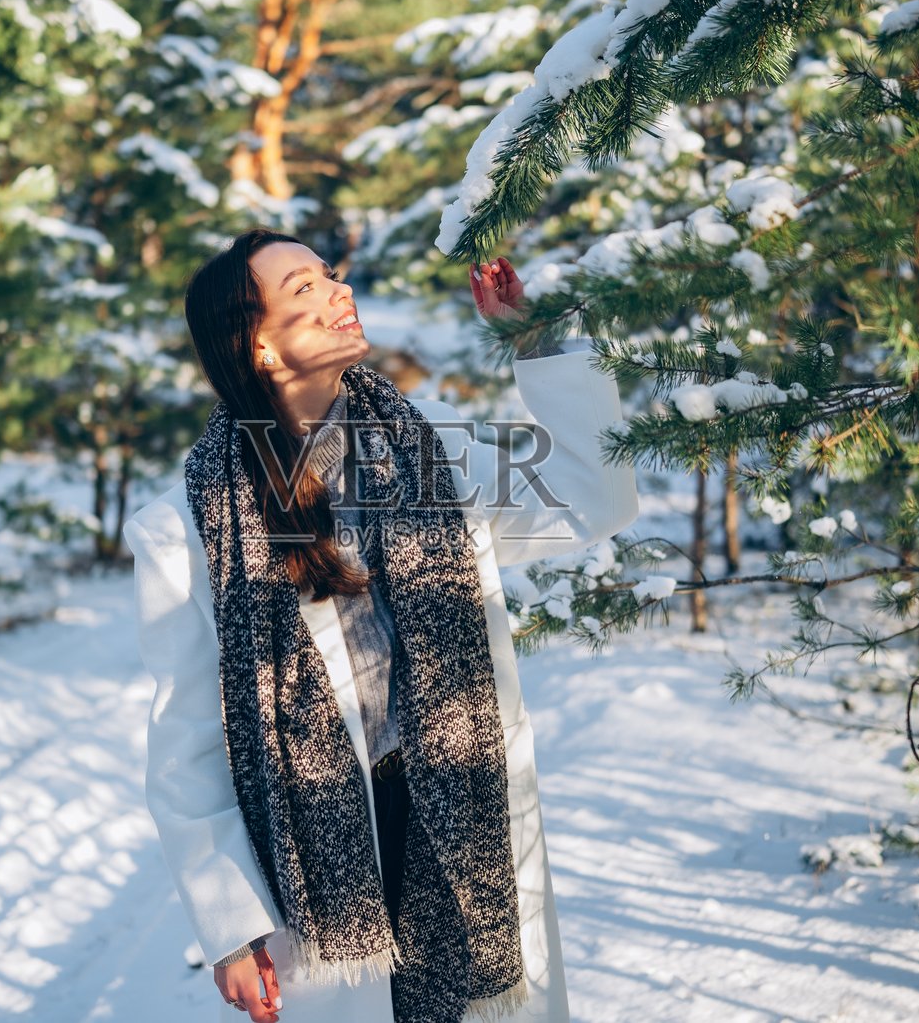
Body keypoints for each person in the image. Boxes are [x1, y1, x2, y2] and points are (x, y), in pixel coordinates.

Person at [122, 228, 638, 1023]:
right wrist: (230, 926)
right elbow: (187, 735)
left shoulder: (432, 450)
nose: (339, 291)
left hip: (462, 816)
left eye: (331, 275)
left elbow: (592, 498)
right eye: (304, 288)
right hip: (328, 858)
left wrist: (533, 340)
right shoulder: (187, 527)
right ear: (257, 347)